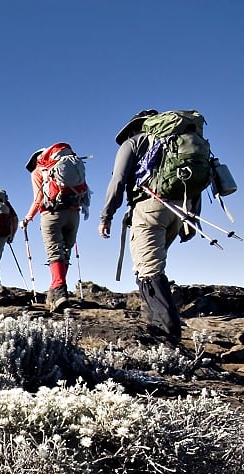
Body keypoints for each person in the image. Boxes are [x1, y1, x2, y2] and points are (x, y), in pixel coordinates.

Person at [98, 109, 190, 344]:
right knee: (153, 265)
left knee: (148, 270)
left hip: (149, 208)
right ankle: (153, 326)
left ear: (133, 127)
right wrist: (191, 218)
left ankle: (170, 337)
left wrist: (106, 215)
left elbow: (118, 180)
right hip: (179, 209)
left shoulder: (134, 143)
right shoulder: (175, 141)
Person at [22, 145, 89, 312]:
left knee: (54, 252)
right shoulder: (71, 164)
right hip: (74, 214)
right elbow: (85, 188)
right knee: (65, 251)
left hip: (51, 214)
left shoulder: (38, 171)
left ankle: (59, 292)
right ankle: (55, 290)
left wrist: (28, 218)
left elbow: (38, 199)